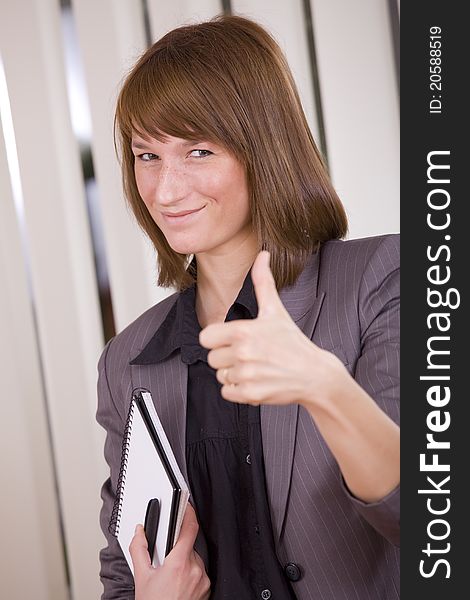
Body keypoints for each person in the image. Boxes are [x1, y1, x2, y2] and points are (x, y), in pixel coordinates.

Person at [97, 14, 400, 600]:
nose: (163, 190)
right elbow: (121, 574)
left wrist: (325, 387)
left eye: (199, 151)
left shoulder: (380, 281)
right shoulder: (128, 361)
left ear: (263, 147)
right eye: (147, 155)